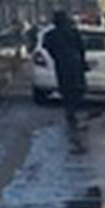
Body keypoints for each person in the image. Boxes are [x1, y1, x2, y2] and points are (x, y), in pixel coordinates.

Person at [43, 9, 89, 150]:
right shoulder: (72, 31)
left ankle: (70, 109)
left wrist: (56, 56)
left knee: (66, 87)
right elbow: (81, 47)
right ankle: (73, 109)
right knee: (78, 86)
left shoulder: (50, 34)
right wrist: (81, 60)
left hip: (62, 63)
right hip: (74, 61)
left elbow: (47, 47)